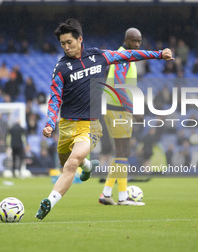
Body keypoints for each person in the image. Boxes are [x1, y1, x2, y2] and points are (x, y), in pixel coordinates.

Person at [35, 19, 174, 220]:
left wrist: (159, 54)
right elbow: (55, 98)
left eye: (69, 42)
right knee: (70, 162)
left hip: (90, 125)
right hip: (66, 126)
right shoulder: (61, 68)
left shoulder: (98, 56)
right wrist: (49, 123)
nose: (66, 47)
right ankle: (88, 166)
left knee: (71, 164)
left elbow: (129, 55)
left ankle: (49, 202)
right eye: (63, 43)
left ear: (80, 39)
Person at [98, 28, 145, 206]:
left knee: (122, 153)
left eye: (139, 41)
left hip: (116, 108)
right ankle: (120, 196)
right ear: (126, 40)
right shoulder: (123, 57)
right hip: (118, 109)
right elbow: (118, 84)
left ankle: (110, 194)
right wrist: (133, 109)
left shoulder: (124, 56)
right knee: (123, 152)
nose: (137, 44)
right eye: (134, 41)